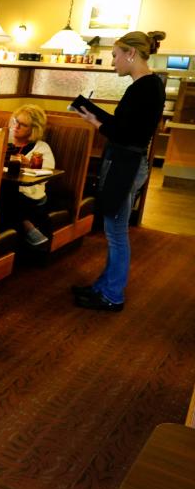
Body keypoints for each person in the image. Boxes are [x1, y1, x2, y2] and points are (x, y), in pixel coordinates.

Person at [71, 31, 166, 311]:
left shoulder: (144, 88)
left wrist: (96, 122)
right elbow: (127, 127)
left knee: (116, 232)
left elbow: (126, 135)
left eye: (115, 55)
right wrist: (95, 117)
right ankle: (104, 286)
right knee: (115, 229)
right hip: (128, 162)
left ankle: (112, 295)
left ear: (131, 54)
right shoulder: (147, 86)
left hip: (127, 164)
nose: (113, 62)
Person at [1, 104, 55, 246]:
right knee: (0, 190)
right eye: (15, 121)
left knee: (2, 193)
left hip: (29, 195)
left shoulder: (41, 148)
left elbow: (47, 173)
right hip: (7, 190)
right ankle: (26, 225)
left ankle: (25, 228)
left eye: (22, 125)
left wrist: (29, 163)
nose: (16, 126)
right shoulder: (3, 141)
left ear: (33, 130)